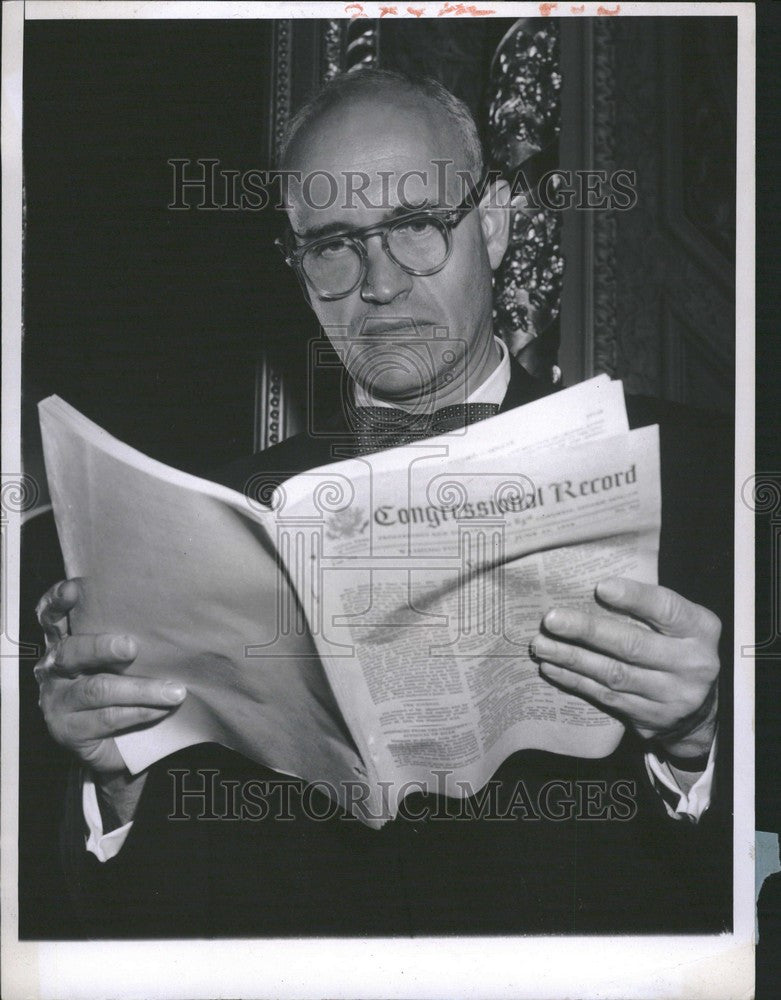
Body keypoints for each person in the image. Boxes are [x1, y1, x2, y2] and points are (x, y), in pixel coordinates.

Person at [32, 69, 733, 937]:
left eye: (414, 228)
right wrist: (117, 780)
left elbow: (734, 905)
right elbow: (161, 925)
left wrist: (698, 742)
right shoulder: (217, 520)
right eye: (332, 244)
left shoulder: (701, 474)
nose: (379, 283)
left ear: (496, 222)